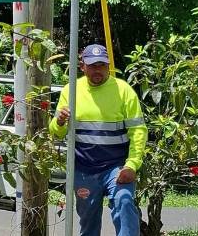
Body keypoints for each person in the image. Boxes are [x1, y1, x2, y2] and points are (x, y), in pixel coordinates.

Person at [49, 44, 148, 236]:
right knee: (88, 222)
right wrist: (60, 121)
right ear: (83, 66)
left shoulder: (123, 90)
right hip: (84, 168)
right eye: (92, 65)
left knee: (125, 201)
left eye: (102, 65)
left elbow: (138, 131)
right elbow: (56, 132)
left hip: (116, 167)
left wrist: (132, 165)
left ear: (109, 66)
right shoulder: (71, 91)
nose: (97, 70)